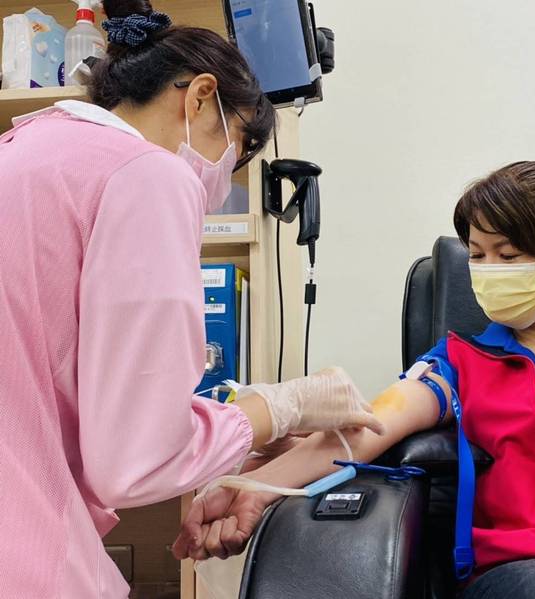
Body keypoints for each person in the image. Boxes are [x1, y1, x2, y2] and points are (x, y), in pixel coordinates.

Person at [176, 161, 535, 599]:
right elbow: (367, 427)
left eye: (507, 254)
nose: (487, 272)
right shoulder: (460, 360)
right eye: (477, 255)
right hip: (521, 574)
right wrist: (254, 488)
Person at [0, 1, 382, 597]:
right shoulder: (147, 173)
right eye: (229, 157)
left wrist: (238, 440)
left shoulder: (26, 148)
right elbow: (136, 460)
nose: (214, 189)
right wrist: (284, 406)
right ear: (200, 96)